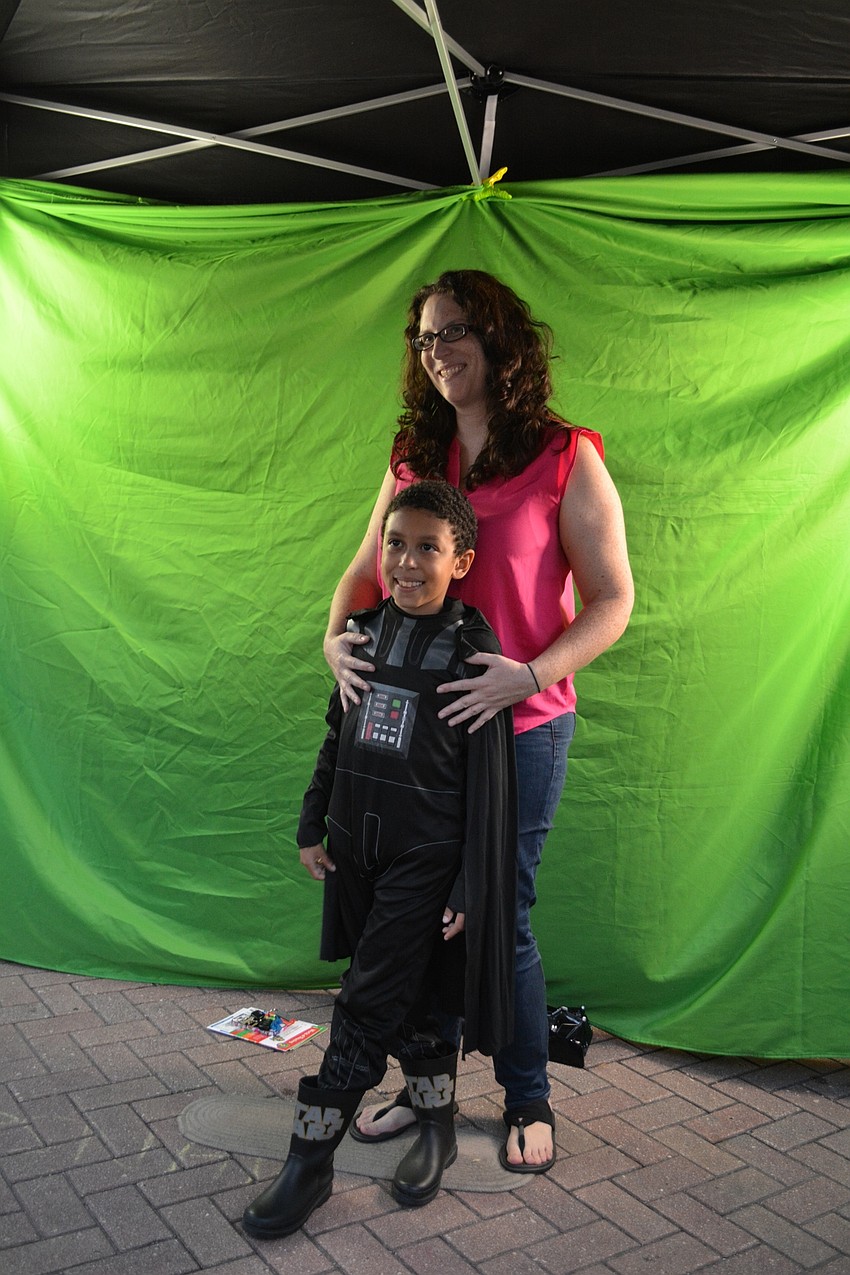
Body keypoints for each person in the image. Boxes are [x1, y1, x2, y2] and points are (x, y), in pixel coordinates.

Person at [324, 269, 634, 1174]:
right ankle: (427, 1089)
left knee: (501, 912)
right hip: (416, 730)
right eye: (424, 338)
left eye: (454, 330)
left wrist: (527, 675)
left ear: (499, 338)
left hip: (523, 725)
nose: (438, 351)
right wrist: (333, 640)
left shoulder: (565, 454)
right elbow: (362, 575)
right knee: (423, 918)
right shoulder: (413, 455)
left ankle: (529, 1096)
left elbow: (613, 602)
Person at [242, 480, 518, 1240]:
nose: (406, 560)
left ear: (460, 560)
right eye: (395, 543)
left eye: (427, 547)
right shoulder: (359, 635)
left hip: (424, 862)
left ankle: (310, 1157)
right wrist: (311, 824)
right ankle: (435, 1128)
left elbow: (488, 785)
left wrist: (468, 878)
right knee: (415, 995)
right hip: (356, 854)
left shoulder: (474, 654)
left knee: (363, 1002)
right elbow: (337, 735)